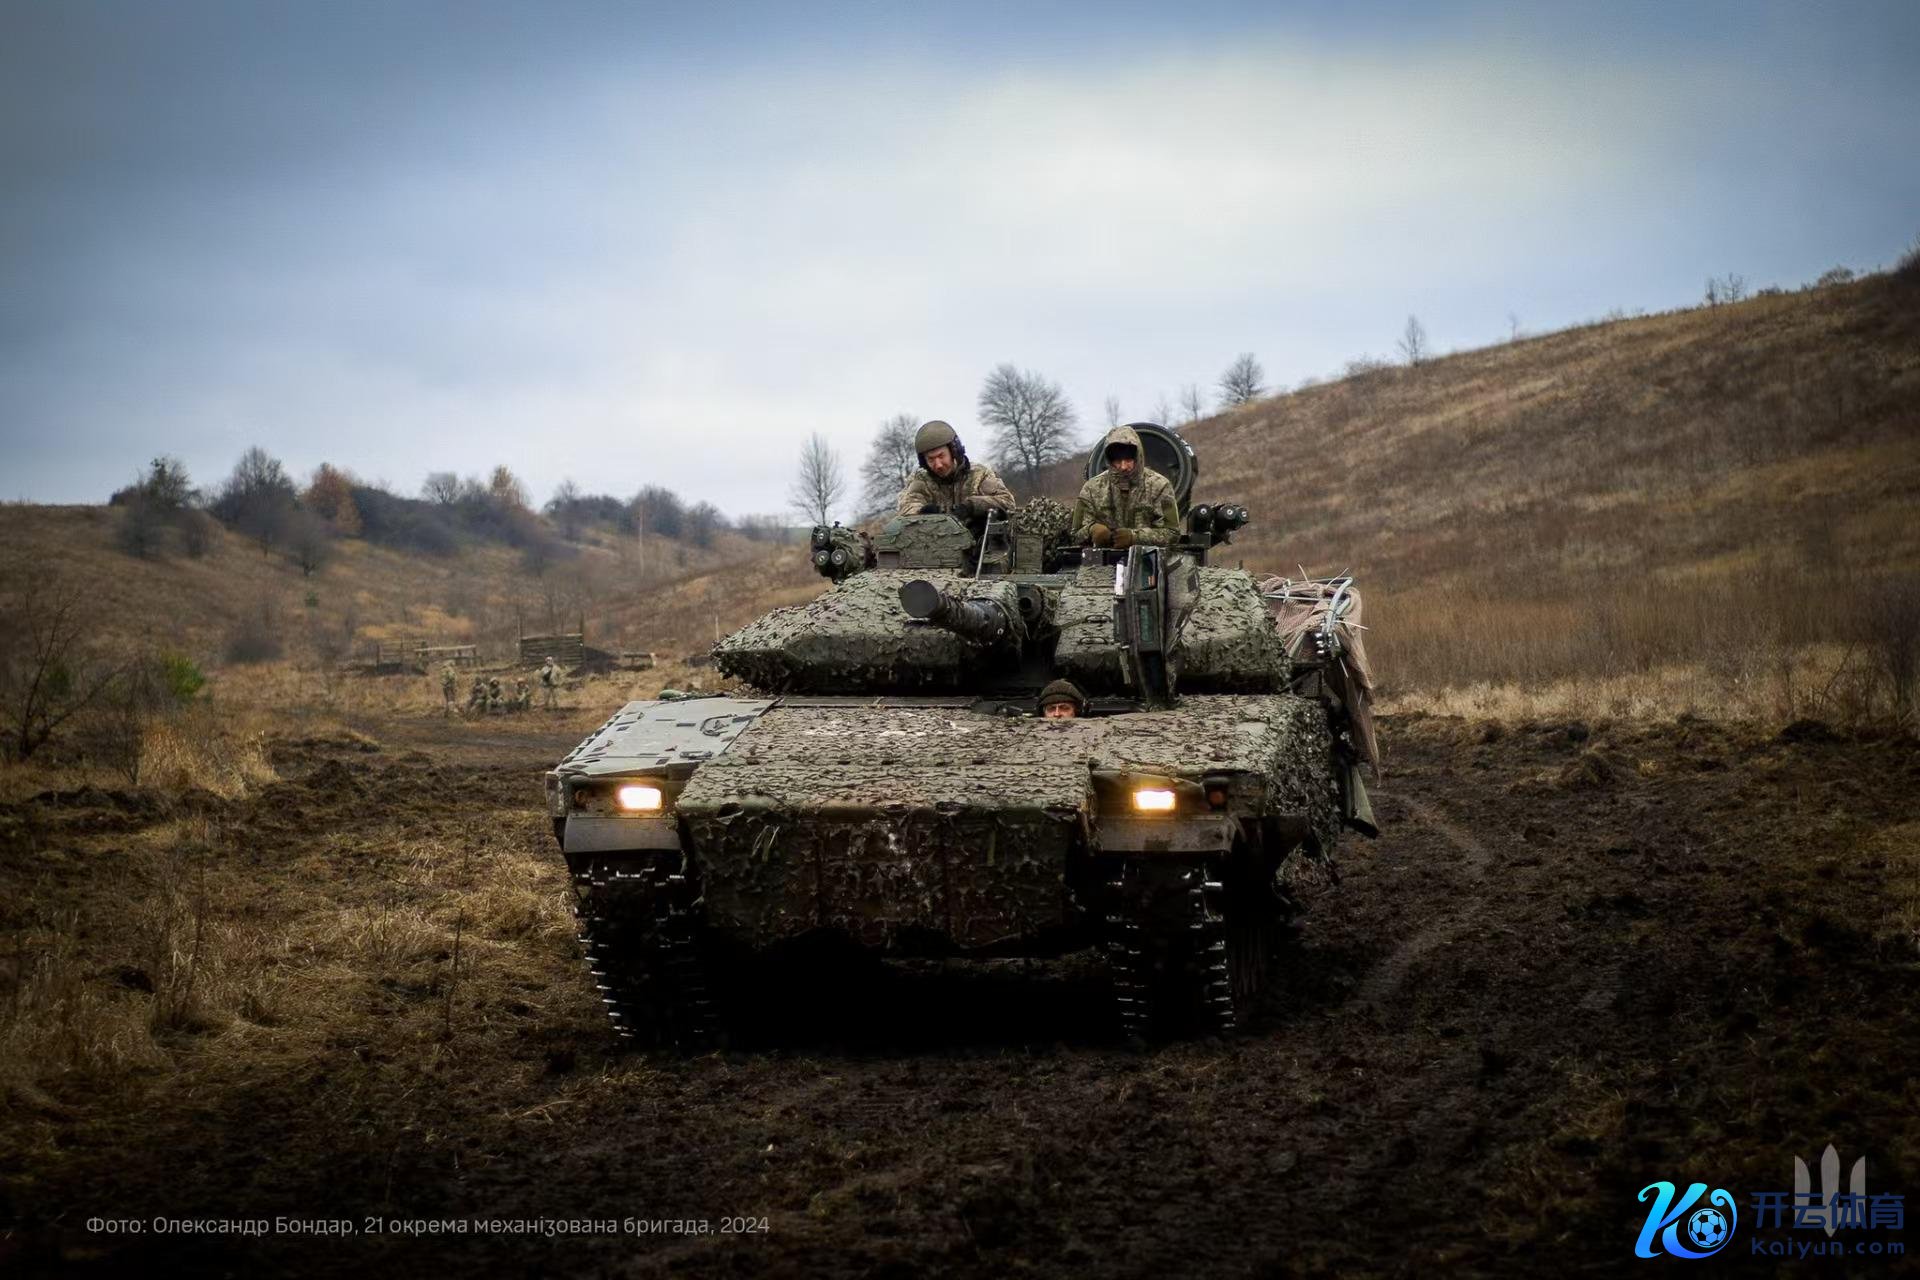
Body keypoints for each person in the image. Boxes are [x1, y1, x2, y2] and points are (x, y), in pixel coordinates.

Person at [1070, 425, 1180, 548]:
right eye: (1117, 461)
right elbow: (1075, 535)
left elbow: (1172, 533)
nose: (1123, 467)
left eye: (1128, 460)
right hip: (1101, 557)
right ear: (1110, 460)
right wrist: (1092, 530)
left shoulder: (1160, 486)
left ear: (1137, 458)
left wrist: (1135, 537)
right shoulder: (1091, 489)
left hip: (1148, 557)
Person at [894, 420, 1015, 520]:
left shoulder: (979, 475)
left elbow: (1007, 502)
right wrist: (923, 512)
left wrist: (972, 506)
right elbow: (906, 507)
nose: (938, 465)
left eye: (941, 456)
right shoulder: (920, 480)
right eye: (931, 459)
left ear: (954, 452)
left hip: (977, 539)